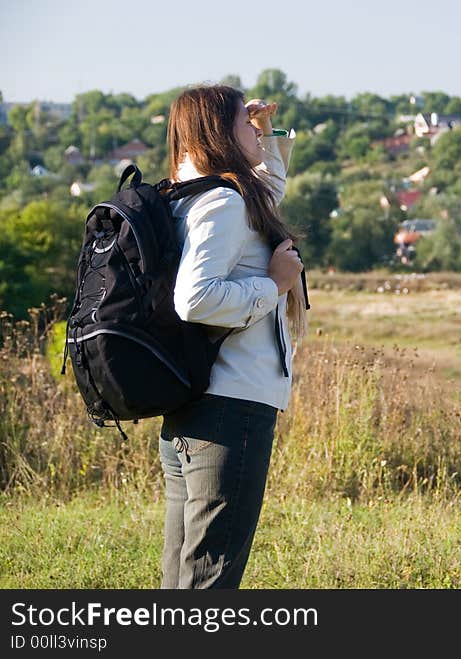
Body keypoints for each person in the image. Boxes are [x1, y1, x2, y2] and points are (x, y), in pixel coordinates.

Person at [159, 84, 305, 589]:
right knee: (210, 581)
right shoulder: (221, 202)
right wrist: (273, 285)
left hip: (190, 403)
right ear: (220, 132)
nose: (254, 129)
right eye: (245, 124)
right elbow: (195, 299)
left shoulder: (186, 192)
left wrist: (266, 134)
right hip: (231, 408)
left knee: (181, 574)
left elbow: (266, 193)